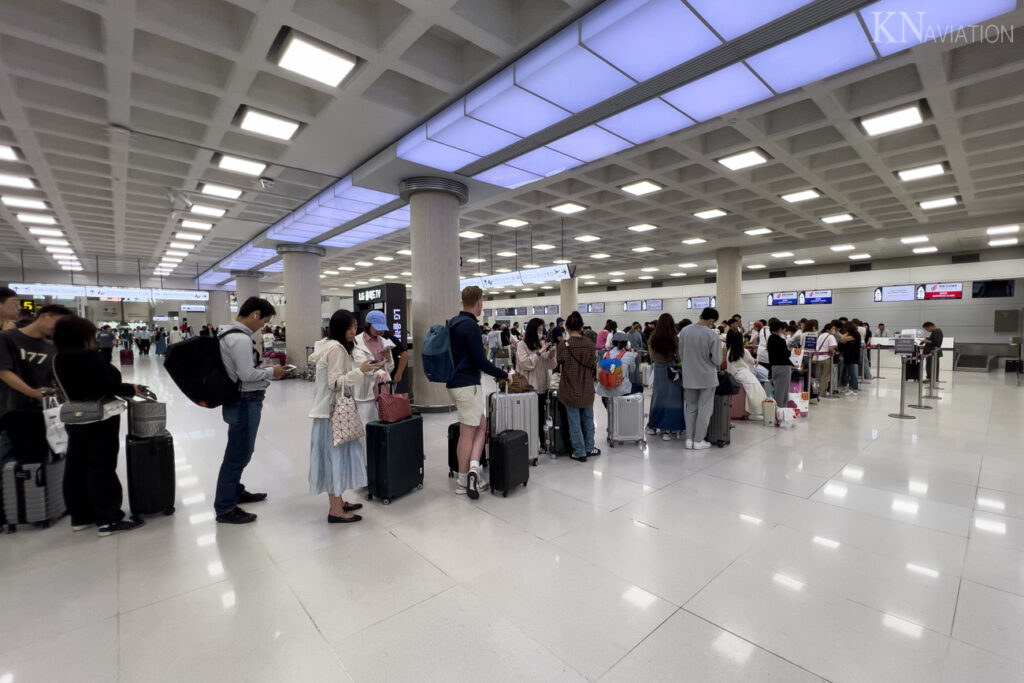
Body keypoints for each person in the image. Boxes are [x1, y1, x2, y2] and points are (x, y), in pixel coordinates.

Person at [53, 316, 148, 536]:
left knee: (76, 467)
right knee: (101, 467)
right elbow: (106, 385)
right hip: (99, 418)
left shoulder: (58, 358)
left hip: (75, 417)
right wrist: (132, 388)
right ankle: (108, 519)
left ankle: (81, 516)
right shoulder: (90, 357)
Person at [214, 297, 287, 524]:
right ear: (255, 314)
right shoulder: (240, 339)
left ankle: (235, 491)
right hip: (245, 400)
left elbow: (240, 371)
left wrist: (263, 370)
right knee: (238, 453)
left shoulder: (226, 333)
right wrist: (271, 372)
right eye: (264, 321)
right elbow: (247, 375)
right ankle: (225, 507)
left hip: (239, 399)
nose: (262, 326)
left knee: (239, 449)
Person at [308, 309, 377, 524]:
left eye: (355, 327)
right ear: (341, 328)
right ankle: (336, 511)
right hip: (332, 415)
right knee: (334, 460)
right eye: (351, 328)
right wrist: (361, 371)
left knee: (333, 460)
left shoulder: (327, 345)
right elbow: (335, 383)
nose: (354, 331)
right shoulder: (337, 349)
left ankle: (338, 502)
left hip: (326, 413)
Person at [447, 286, 508, 498]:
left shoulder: (454, 323)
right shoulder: (470, 326)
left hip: (454, 383)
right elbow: (480, 362)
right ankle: (463, 480)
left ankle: (474, 468)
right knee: (467, 433)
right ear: (479, 302)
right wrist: (503, 374)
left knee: (481, 425)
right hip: (467, 385)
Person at [0, 305, 72, 473]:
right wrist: (31, 392)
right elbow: (3, 371)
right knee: (8, 463)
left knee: (37, 463)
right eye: (57, 324)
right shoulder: (7, 338)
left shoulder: (52, 347)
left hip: (44, 413)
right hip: (13, 411)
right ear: (45, 316)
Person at [556, 312, 599, 461]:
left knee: (574, 421)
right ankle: (589, 447)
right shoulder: (589, 343)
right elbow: (593, 364)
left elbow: (558, 362)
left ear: (566, 327)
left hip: (569, 388)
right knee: (588, 418)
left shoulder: (563, 345)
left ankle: (579, 452)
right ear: (581, 326)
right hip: (586, 387)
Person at [678, 307, 721, 450]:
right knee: (705, 409)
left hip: (689, 375)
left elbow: (681, 354)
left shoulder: (684, 331)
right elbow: (717, 360)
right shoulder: (712, 335)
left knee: (690, 408)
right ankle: (698, 440)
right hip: (707, 377)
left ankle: (689, 439)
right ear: (711, 320)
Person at [516, 318, 558, 453]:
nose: (541, 333)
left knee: (542, 416)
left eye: (542, 330)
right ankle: (530, 444)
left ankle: (542, 443)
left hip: (542, 386)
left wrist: (551, 355)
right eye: (539, 330)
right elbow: (526, 364)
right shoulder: (522, 345)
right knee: (531, 417)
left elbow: (550, 365)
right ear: (532, 330)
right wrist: (540, 352)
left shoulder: (540, 343)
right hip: (529, 387)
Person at [351, 310, 395, 426]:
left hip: (384, 387)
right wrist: (379, 371)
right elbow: (363, 365)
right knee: (367, 423)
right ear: (367, 324)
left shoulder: (384, 342)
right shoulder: (357, 342)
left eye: (382, 328)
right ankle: (366, 445)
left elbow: (390, 368)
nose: (380, 331)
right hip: (367, 389)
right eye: (376, 328)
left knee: (385, 422)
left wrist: (388, 359)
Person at [646, 313, 684, 441]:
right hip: (672, 370)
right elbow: (678, 357)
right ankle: (667, 430)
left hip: (658, 369)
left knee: (658, 397)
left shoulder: (652, 337)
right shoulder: (674, 338)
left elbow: (651, 356)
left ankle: (652, 426)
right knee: (672, 399)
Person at [725, 330, 766, 417]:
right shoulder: (744, 351)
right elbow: (752, 362)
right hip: (744, 374)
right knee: (757, 388)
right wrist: (755, 361)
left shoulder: (730, 351)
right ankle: (756, 411)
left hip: (733, 374)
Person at [596, 332, 639, 413]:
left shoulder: (606, 354)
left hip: (605, 391)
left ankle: (612, 422)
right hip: (622, 390)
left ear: (612, 342)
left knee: (611, 412)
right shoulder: (629, 355)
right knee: (639, 388)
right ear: (626, 343)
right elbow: (632, 370)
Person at [767, 320, 793, 407]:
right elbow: (785, 354)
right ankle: (779, 408)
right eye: (783, 329)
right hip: (783, 366)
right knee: (782, 390)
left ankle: (780, 407)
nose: (783, 331)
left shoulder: (770, 339)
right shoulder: (780, 340)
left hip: (774, 366)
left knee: (779, 388)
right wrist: (789, 351)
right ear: (779, 329)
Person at [815, 321, 838, 394]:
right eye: (832, 329)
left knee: (820, 375)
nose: (834, 330)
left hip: (819, 358)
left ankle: (817, 390)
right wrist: (834, 351)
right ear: (828, 329)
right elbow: (831, 348)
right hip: (826, 358)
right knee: (825, 376)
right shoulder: (830, 336)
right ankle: (822, 392)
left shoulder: (820, 335)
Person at [838, 322, 862, 395]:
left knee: (853, 373)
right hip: (847, 356)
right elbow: (841, 340)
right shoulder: (849, 333)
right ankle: (850, 387)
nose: (844, 328)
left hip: (853, 357)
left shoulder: (856, 334)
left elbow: (842, 339)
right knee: (849, 373)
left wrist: (844, 336)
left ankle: (854, 388)